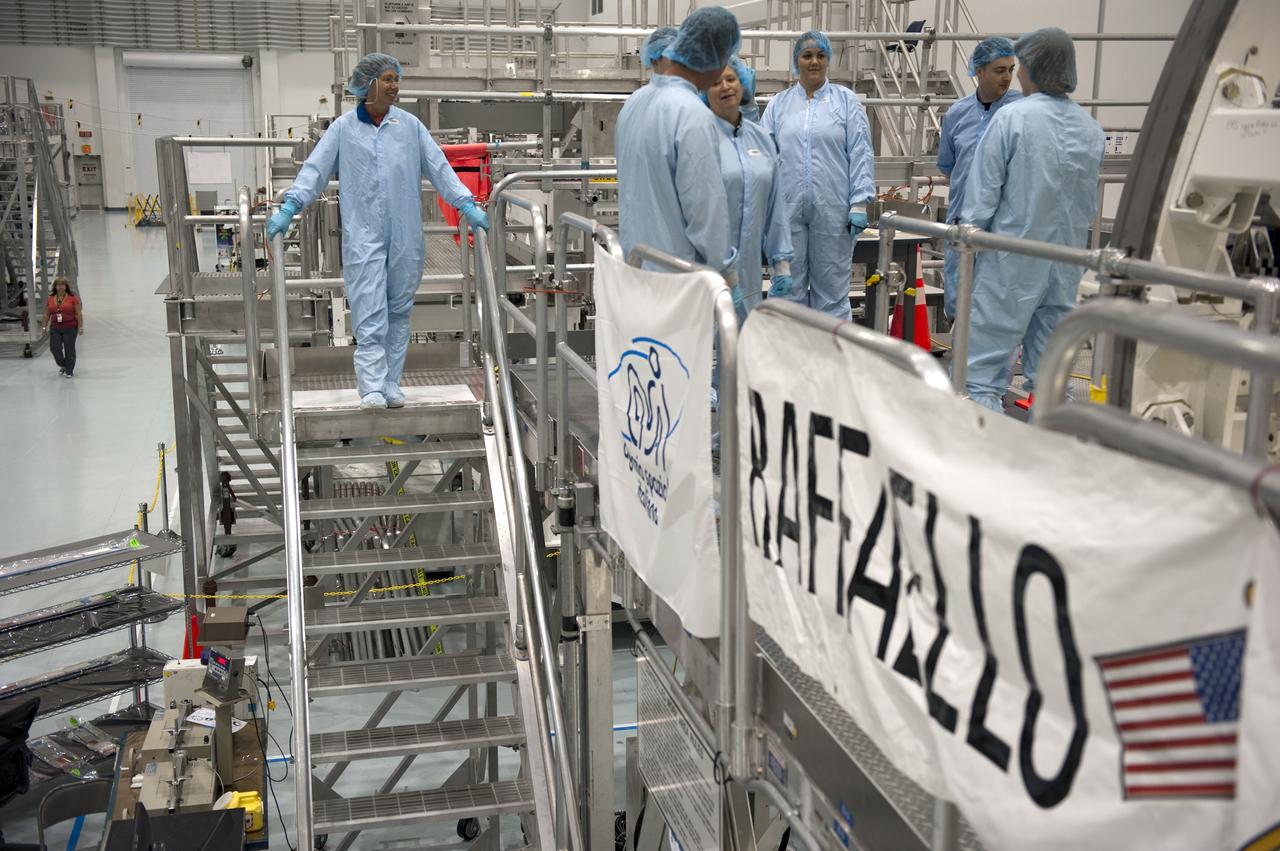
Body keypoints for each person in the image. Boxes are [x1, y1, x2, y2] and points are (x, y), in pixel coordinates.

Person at [268, 52, 490, 410]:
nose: (394, 86)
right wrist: (290, 206)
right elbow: (315, 170)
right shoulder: (343, 129)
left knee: (399, 311)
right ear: (368, 84)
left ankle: (390, 382)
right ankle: (370, 386)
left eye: (395, 79)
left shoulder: (409, 126)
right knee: (370, 311)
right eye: (387, 79)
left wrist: (466, 204)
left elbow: (439, 167)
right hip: (364, 236)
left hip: (406, 236)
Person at [960, 27, 1104, 413]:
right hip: (1065, 263)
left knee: (981, 374)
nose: (1017, 75)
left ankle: (980, 455)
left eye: (1021, 66)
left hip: (1012, 259)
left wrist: (968, 241)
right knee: (1053, 377)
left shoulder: (1012, 119)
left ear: (1036, 68)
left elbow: (982, 195)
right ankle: (1049, 455)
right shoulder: (1091, 130)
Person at [616, 6, 741, 279]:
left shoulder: (634, 102)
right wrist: (725, 271)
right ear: (717, 58)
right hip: (678, 279)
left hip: (636, 267)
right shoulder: (692, 113)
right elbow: (705, 211)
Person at [761, 31, 875, 319]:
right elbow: (763, 156)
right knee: (788, 291)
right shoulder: (779, 104)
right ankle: (790, 359)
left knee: (832, 294)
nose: (814, 62)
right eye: (807, 55)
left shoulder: (846, 101)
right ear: (796, 61)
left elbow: (861, 152)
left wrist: (859, 202)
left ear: (829, 61)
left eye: (821, 56)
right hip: (788, 212)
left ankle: (831, 360)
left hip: (833, 211)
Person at [937, 36, 1022, 319]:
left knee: (998, 307)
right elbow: (949, 167)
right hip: (963, 219)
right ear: (979, 71)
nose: (1008, 77)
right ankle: (961, 359)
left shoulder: (1021, 111)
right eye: (1000, 70)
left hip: (1006, 225)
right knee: (960, 300)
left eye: (1011, 69)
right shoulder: (957, 114)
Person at [703, 56, 793, 323]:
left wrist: (782, 264)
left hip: (749, 273)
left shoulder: (762, 139)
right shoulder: (697, 137)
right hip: (704, 274)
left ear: (743, 85)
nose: (725, 87)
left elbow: (775, 204)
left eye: (731, 79)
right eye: (715, 82)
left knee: (741, 357)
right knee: (696, 355)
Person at [41, 277, 81, 378]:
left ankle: (69, 370)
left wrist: (81, 327)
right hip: (55, 328)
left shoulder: (72, 298)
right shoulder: (50, 299)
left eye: (63, 285)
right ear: (55, 287)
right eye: (58, 285)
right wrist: (44, 327)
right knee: (54, 348)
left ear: (66, 286)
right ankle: (63, 364)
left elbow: (78, 313)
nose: (61, 287)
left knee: (69, 349)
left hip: (70, 327)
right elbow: (46, 314)